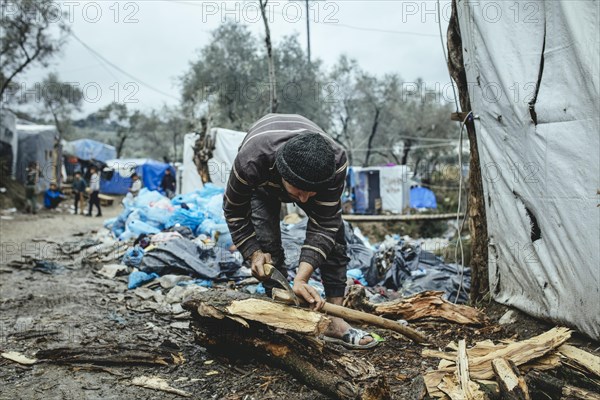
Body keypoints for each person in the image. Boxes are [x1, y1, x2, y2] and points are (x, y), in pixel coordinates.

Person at [223, 113, 377, 349]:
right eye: (299, 192)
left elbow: (324, 224)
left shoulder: (336, 162)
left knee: (335, 237)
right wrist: (252, 251)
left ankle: (336, 320)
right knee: (268, 246)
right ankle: (285, 318)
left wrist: (302, 278)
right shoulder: (251, 161)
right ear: (282, 174)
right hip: (263, 184)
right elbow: (234, 211)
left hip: (308, 174)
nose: (303, 200)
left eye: (311, 193)